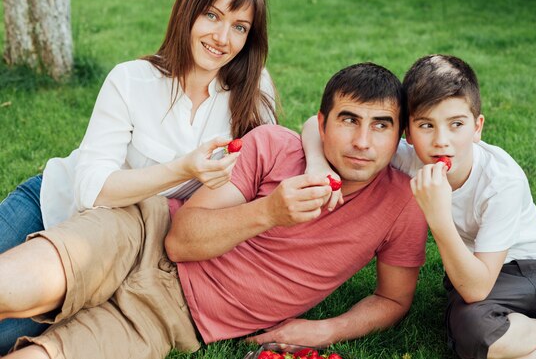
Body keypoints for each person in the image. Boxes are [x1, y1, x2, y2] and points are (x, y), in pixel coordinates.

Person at [0, 62, 429, 359]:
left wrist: (325, 330)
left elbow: (392, 297)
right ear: (321, 124)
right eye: (349, 120)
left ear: (399, 137)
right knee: (11, 288)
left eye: (381, 125)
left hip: (175, 319)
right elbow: (181, 240)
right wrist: (270, 212)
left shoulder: (402, 204)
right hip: (140, 233)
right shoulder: (275, 146)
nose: (362, 142)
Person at [0, 0, 277, 354]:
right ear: (187, 12)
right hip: (53, 207)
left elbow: (287, 151)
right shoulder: (132, 80)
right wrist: (181, 169)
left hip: (115, 255)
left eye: (239, 27)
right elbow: (91, 190)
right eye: (212, 15)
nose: (222, 37)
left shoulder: (253, 92)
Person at [396, 54, 536, 359]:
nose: (441, 141)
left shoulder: (502, 179)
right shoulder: (405, 157)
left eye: (456, 124)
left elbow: (475, 289)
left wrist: (438, 217)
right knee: (478, 336)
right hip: (482, 277)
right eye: (426, 125)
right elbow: (316, 128)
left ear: (477, 127)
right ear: (407, 133)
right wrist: (319, 164)